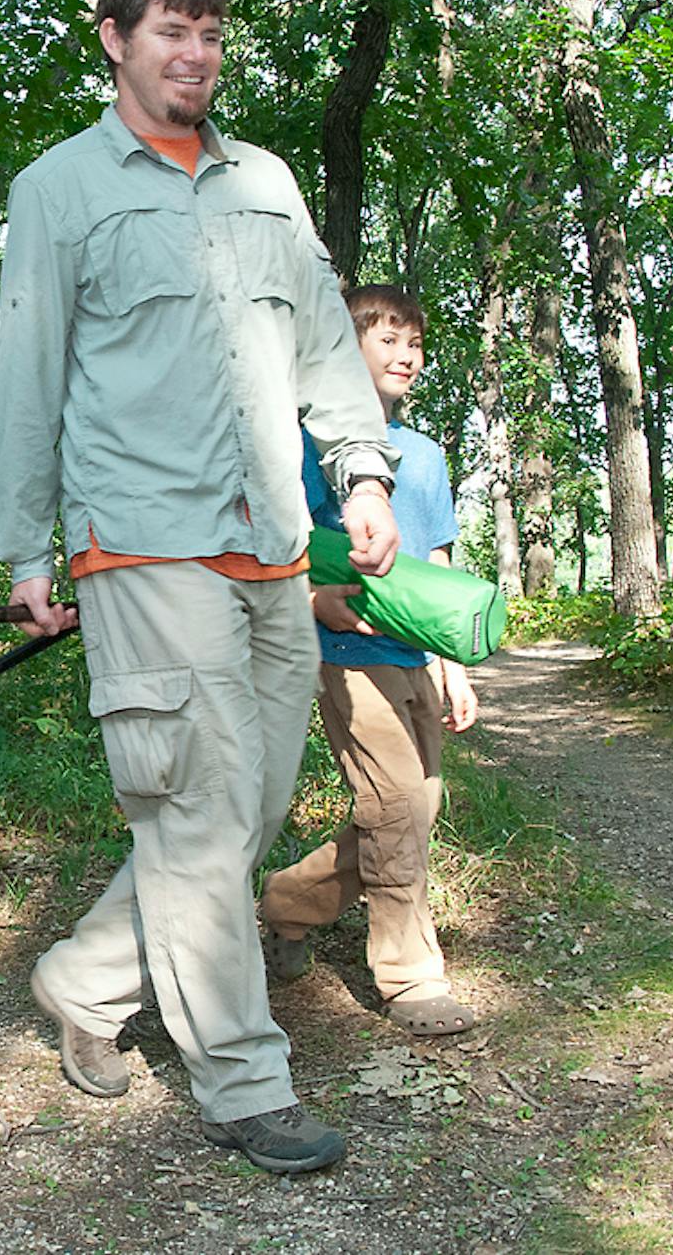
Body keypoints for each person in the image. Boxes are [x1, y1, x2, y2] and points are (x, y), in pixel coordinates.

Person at [0, 0, 400, 1176]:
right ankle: (242, 1080)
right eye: (173, 30)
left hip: (270, 542)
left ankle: (84, 978)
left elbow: (325, 342)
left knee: (247, 805)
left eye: (212, 33)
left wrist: (362, 474)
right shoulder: (58, 188)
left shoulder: (265, 183)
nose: (197, 53)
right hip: (143, 542)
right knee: (197, 809)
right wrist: (24, 542)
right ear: (115, 39)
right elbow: (30, 374)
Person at [258, 285, 481, 1038]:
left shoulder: (426, 455)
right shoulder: (304, 449)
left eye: (414, 342)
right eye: (387, 340)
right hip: (348, 656)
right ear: (343, 352)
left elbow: (438, 561)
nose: (406, 355)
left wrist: (453, 663)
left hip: (415, 655)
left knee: (415, 809)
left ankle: (288, 903)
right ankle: (411, 977)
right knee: (396, 808)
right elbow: (272, 546)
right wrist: (311, 599)